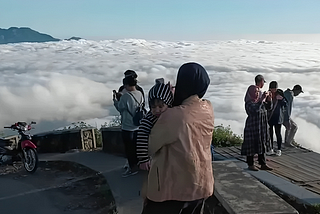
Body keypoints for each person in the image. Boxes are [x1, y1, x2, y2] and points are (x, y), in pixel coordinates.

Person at [141, 62, 214, 214]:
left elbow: (150, 146)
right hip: (201, 184)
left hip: (172, 189)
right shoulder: (208, 107)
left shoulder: (174, 116)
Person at [136, 81, 174, 170]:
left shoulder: (172, 114)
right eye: (153, 107)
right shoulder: (148, 120)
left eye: (161, 106)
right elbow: (141, 138)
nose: (157, 110)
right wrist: (143, 159)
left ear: (168, 104)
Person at [113, 75, 144, 177]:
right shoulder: (140, 93)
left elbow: (120, 108)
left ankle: (132, 168)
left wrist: (115, 100)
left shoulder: (126, 96)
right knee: (136, 148)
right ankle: (138, 165)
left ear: (127, 85)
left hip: (127, 127)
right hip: (138, 125)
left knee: (129, 149)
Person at [241, 85, 273, 171]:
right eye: (255, 92)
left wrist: (269, 99)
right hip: (253, 127)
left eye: (258, 92)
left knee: (261, 144)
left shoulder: (260, 101)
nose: (257, 93)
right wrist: (262, 100)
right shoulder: (249, 103)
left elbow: (269, 108)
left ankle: (263, 163)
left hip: (262, 126)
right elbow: (255, 110)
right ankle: (250, 164)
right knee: (251, 145)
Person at [267, 81, 287, 156]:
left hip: (278, 116)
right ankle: (271, 149)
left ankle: (279, 149)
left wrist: (281, 99)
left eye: (274, 88)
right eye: (272, 88)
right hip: (270, 117)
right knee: (270, 133)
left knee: (278, 133)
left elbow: (285, 104)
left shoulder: (280, 93)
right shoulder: (268, 94)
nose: (273, 90)